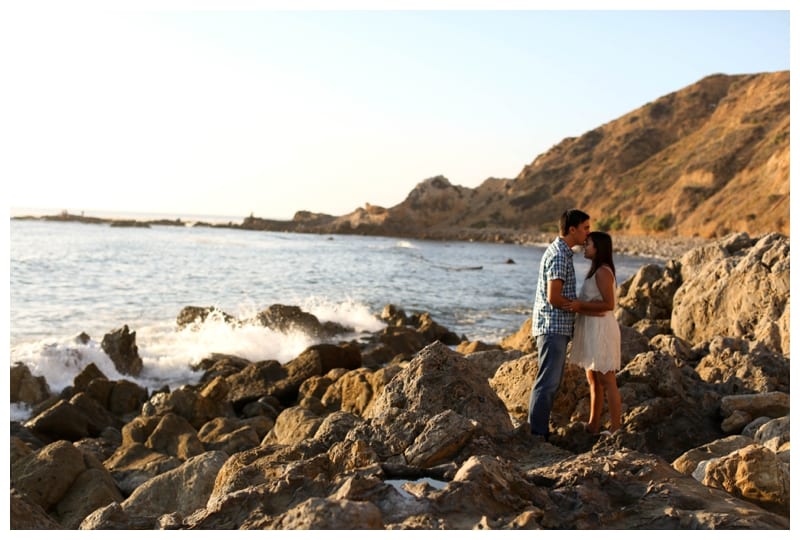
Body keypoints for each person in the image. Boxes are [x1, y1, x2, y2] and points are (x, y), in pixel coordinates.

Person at [528, 209, 591, 441]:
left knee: (549, 382)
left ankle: (538, 432)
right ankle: (537, 435)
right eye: (585, 228)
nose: (588, 233)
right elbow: (554, 297)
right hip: (552, 327)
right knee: (547, 382)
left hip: (555, 327)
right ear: (572, 229)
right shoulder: (558, 255)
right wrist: (577, 306)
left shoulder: (562, 253)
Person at [567, 231, 622, 435]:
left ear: (598, 248)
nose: (584, 247)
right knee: (593, 378)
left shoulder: (603, 272)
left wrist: (579, 305)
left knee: (607, 379)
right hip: (591, 327)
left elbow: (609, 304)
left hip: (601, 330)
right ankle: (593, 425)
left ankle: (616, 429)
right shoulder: (595, 270)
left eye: (588, 244)